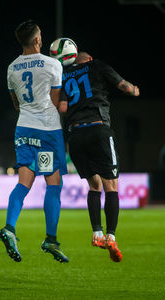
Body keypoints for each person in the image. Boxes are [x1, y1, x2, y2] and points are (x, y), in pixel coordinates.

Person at [58, 51, 140, 262]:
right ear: (90, 59)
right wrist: (134, 90)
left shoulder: (64, 75)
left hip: (75, 136)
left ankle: (96, 233)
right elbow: (123, 86)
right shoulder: (97, 66)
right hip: (98, 130)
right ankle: (111, 237)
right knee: (111, 185)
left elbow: (63, 107)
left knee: (94, 186)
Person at [0, 20, 69, 263]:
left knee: (23, 183)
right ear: (38, 40)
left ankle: (9, 227)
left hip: (23, 128)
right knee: (53, 184)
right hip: (48, 131)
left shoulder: (11, 67)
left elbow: (16, 103)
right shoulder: (53, 64)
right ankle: (51, 238)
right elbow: (55, 100)